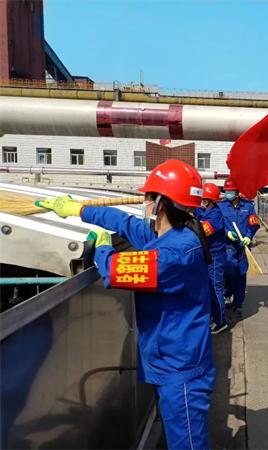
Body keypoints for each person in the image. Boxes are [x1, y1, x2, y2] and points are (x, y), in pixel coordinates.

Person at [36, 160, 215, 450]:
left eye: (147, 197)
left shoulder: (174, 254)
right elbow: (125, 223)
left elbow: (115, 270)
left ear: (161, 203)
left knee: (188, 445)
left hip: (180, 369)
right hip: (175, 359)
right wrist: (80, 210)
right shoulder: (172, 236)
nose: (144, 204)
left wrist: (103, 246)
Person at [218, 178, 260, 314]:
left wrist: (249, 236)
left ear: (236, 192)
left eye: (230, 191)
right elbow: (217, 223)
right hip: (228, 246)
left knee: (242, 273)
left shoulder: (248, 206)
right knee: (229, 271)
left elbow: (254, 223)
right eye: (226, 191)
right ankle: (227, 294)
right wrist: (227, 233)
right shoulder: (221, 206)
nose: (228, 194)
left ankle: (238, 303)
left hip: (243, 247)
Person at [195, 182, 228, 334]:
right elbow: (197, 213)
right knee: (209, 288)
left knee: (215, 289)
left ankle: (221, 321)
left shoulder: (215, 215)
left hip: (215, 257)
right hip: (208, 255)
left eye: (203, 199)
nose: (201, 202)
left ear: (209, 201)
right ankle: (214, 317)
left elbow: (202, 232)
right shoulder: (206, 211)